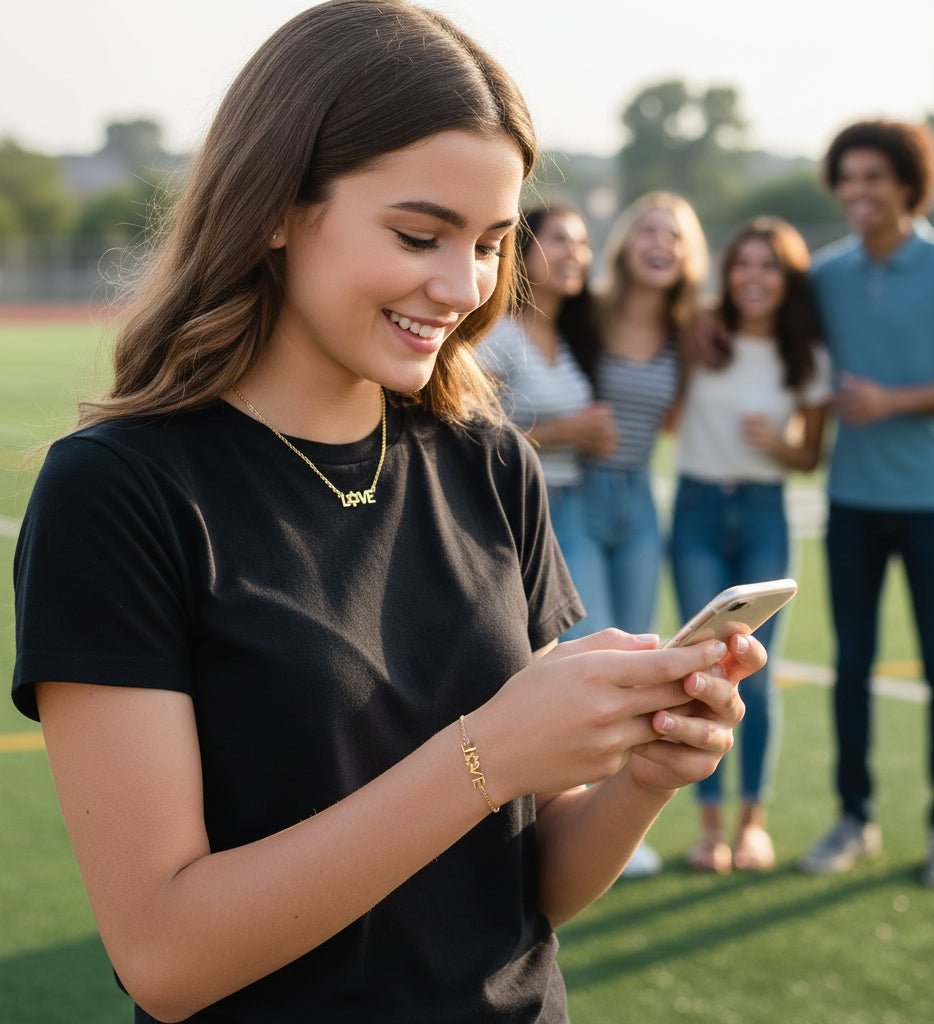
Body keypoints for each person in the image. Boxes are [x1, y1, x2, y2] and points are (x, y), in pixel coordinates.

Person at [10, 4, 765, 1022]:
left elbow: (531, 888)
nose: (463, 286)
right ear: (275, 208)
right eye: (419, 235)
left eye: (492, 244)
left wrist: (644, 777)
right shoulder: (118, 491)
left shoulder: (489, 459)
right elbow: (165, 957)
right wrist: (487, 754)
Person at [798, 119, 934, 887]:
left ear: (909, 185)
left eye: (874, 178)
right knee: (851, 665)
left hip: (931, 502)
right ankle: (854, 817)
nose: (859, 192)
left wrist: (894, 400)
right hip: (849, 500)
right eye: (848, 179)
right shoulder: (825, 274)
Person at [671, 216, 831, 873]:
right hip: (697, 512)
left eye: (769, 266)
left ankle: (752, 824)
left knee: (755, 674)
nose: (753, 277)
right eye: (743, 264)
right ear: (728, 272)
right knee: (700, 669)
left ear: (788, 279)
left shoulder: (806, 354)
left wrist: (779, 445)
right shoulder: (700, 333)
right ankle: (708, 828)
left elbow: (811, 456)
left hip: (766, 514)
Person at [581, 191, 709, 877]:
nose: (662, 244)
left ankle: (612, 821)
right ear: (628, 243)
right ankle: (563, 810)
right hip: (576, 496)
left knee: (639, 657)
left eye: (676, 235)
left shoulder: (687, 332)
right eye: (650, 231)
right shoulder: (587, 314)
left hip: (638, 497)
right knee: (590, 650)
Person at [476, 203, 617, 640]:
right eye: (559, 239)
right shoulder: (500, 335)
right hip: (511, 510)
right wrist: (562, 434)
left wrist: (592, 438)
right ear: (522, 249)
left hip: (572, 505)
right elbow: (463, 436)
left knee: (594, 638)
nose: (574, 252)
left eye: (582, 243)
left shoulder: (573, 338)